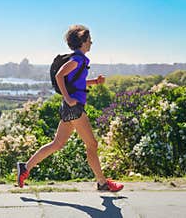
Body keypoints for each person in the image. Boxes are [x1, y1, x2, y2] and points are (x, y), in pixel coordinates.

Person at [17, 25, 124, 192]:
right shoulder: (77, 60)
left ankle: (25, 168)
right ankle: (102, 183)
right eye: (89, 40)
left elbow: (75, 83)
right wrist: (67, 97)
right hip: (74, 108)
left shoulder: (79, 60)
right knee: (92, 144)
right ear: (82, 41)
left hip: (71, 107)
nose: (91, 43)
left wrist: (94, 82)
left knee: (57, 144)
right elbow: (60, 75)